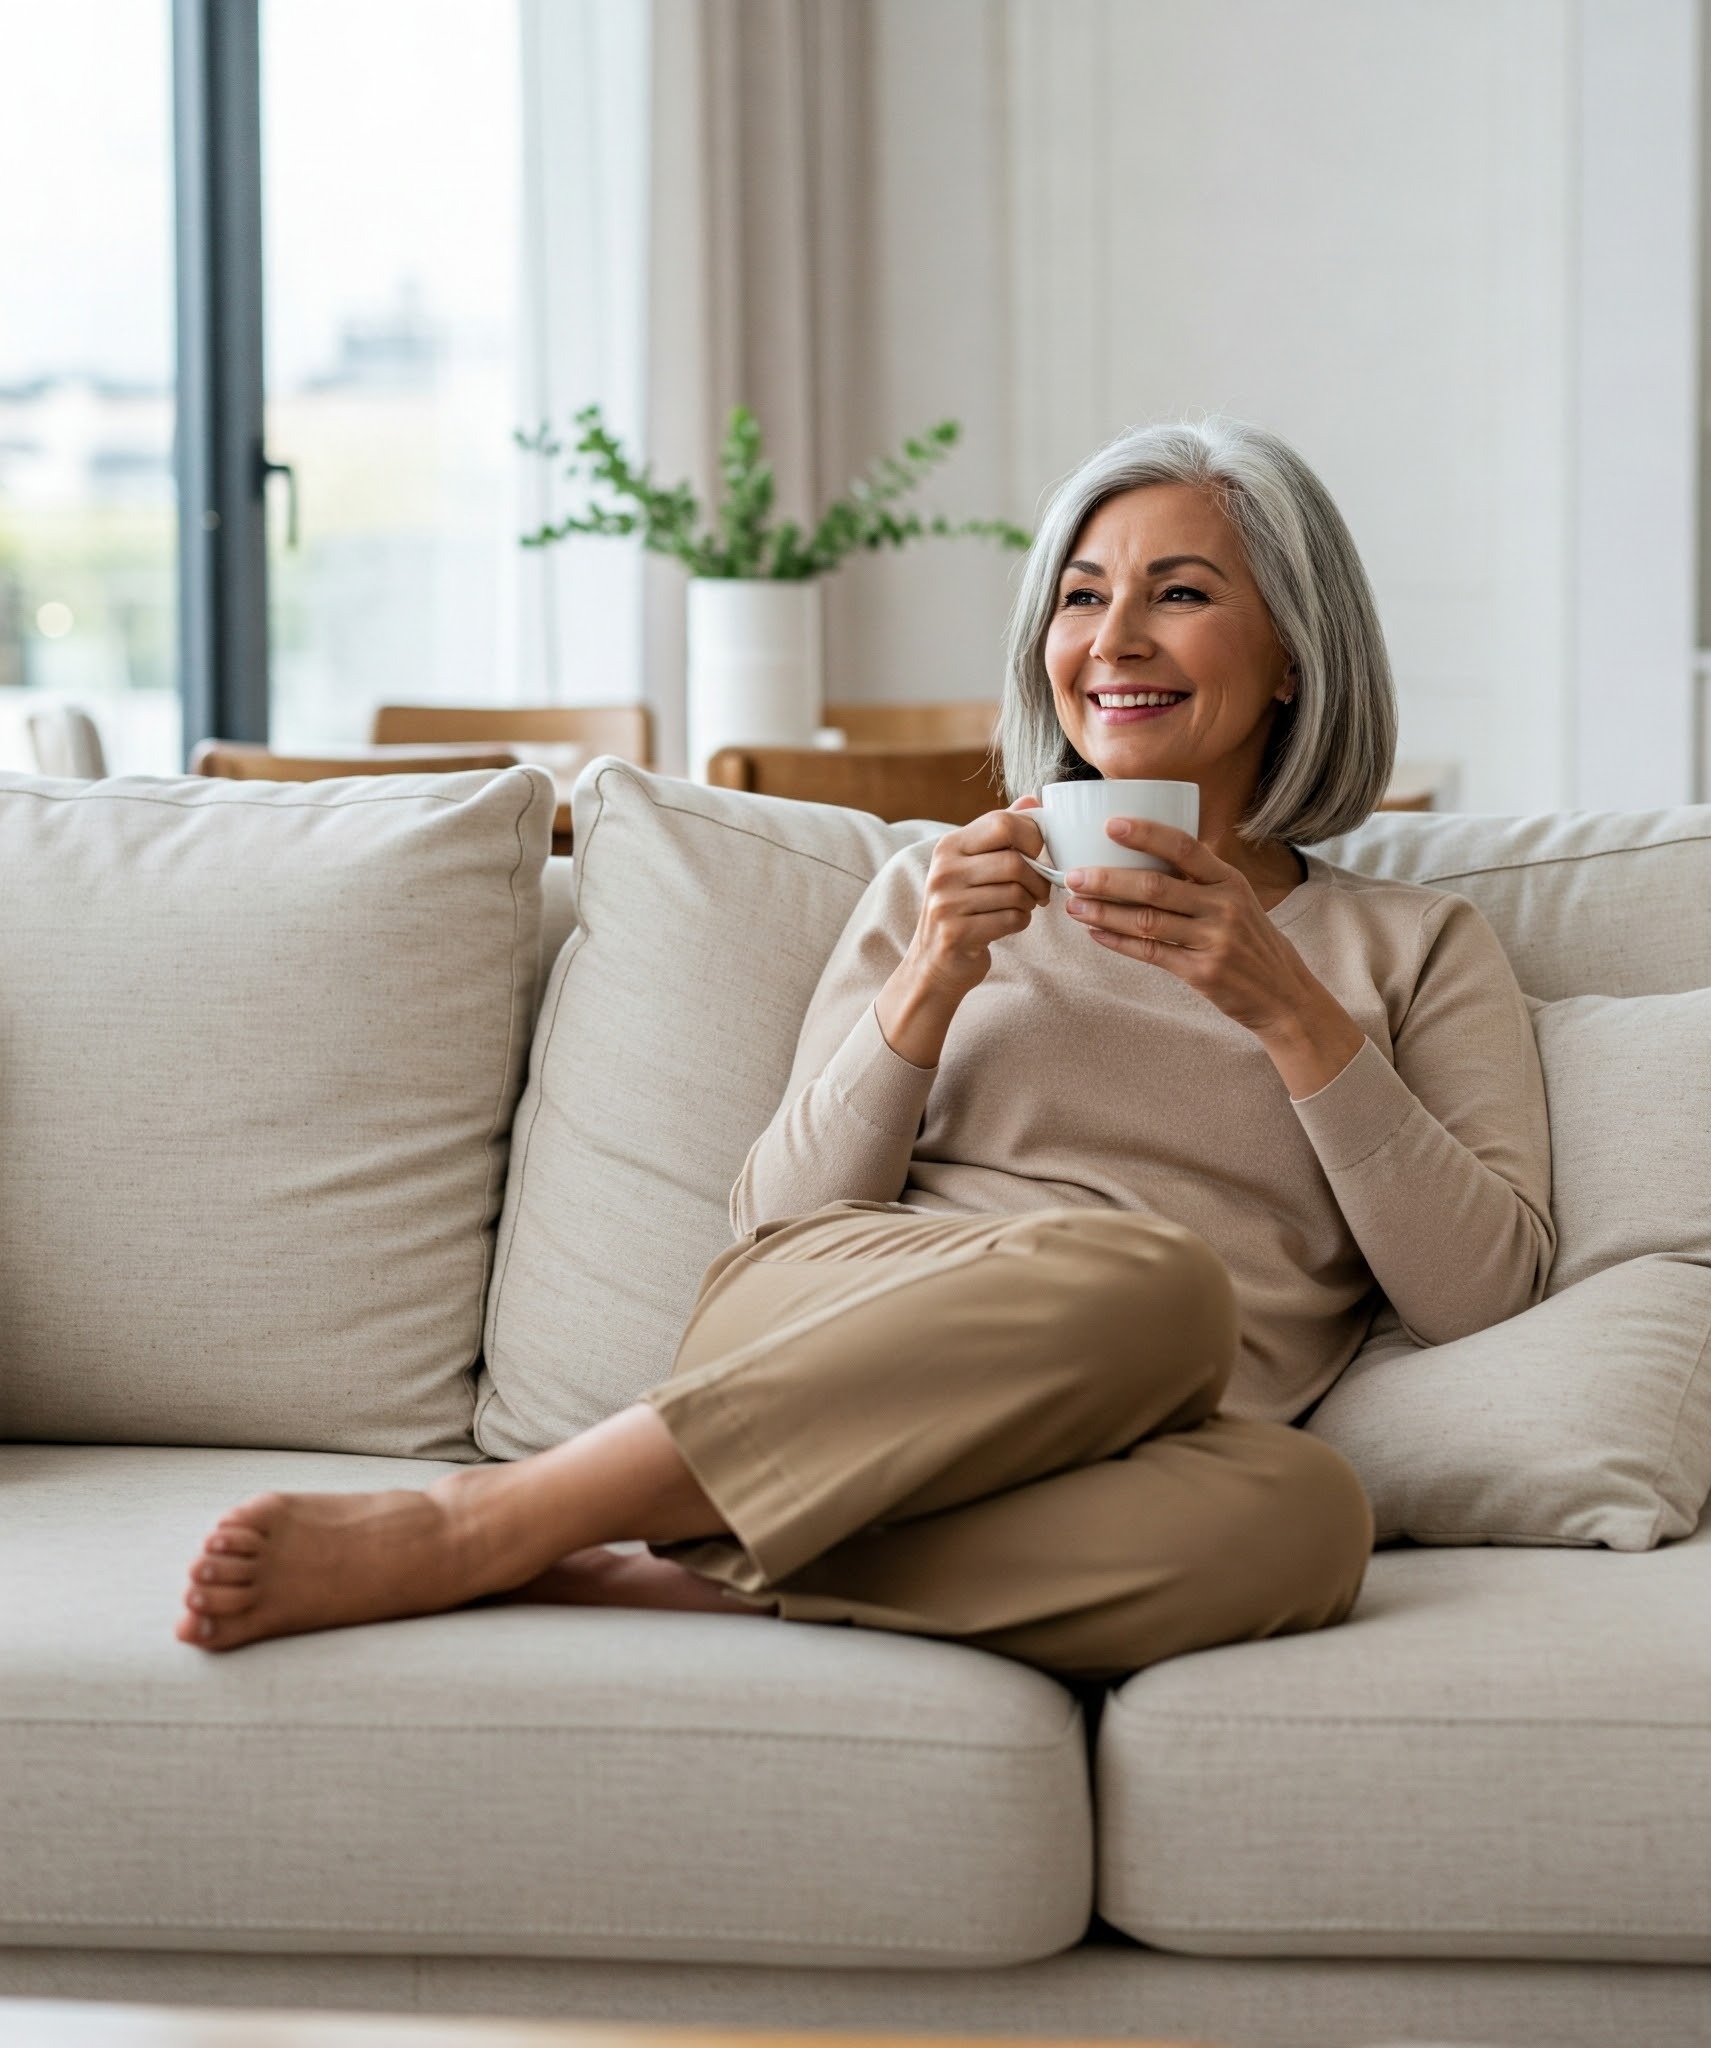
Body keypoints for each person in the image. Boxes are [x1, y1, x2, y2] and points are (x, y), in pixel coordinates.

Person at [175, 416, 1555, 1681]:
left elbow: (1481, 1290)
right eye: (1082, 597)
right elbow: (776, 1224)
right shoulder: (937, 891)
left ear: (1296, 652)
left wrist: (1289, 1009)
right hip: (840, 1327)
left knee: (1311, 1522)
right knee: (1157, 1282)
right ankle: (485, 1521)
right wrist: (932, 981)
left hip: (1134, 1443)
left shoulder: (1414, 946)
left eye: (1179, 594)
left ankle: (663, 1573)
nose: (1115, 639)